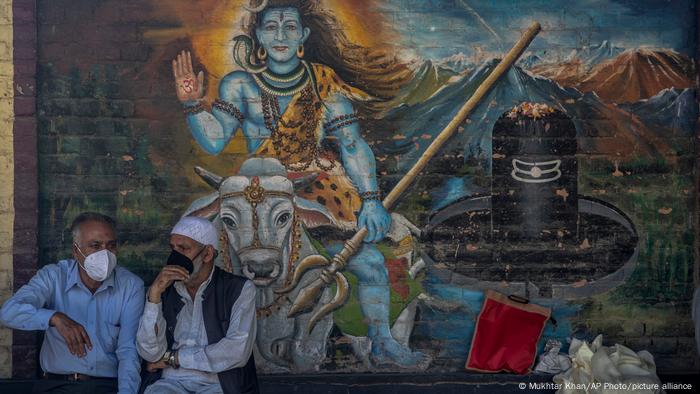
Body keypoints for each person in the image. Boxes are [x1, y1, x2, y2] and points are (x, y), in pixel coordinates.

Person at [171, 0, 426, 367]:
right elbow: (214, 141)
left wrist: (371, 199)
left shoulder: (324, 84)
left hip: (318, 190)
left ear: (303, 36)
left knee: (369, 263)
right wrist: (193, 105)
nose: (280, 36)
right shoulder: (240, 85)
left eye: (290, 27)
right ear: (257, 35)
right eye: (271, 27)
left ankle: (383, 343)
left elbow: (353, 145)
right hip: (260, 194)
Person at [0, 212, 144, 394]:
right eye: (95, 246)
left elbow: (128, 351)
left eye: (111, 246)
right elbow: (8, 313)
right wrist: (54, 317)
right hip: (55, 385)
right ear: (76, 251)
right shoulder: (53, 276)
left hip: (106, 386)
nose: (105, 254)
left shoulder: (131, 286)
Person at [137, 216, 258, 394]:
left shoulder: (239, 289)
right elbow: (150, 354)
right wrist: (154, 297)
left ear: (207, 254)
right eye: (173, 248)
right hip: (169, 383)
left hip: (218, 385)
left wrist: (174, 358)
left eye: (183, 248)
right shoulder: (165, 289)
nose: (175, 256)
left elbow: (236, 350)